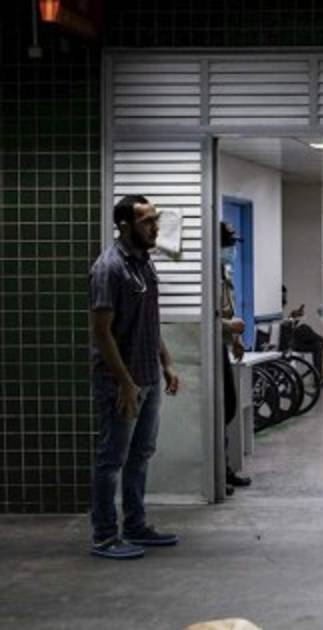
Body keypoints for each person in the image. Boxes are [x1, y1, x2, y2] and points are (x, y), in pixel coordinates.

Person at [89, 195, 181, 559]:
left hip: (148, 376)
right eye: (147, 221)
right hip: (120, 383)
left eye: (155, 219)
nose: (155, 227)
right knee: (112, 458)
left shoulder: (144, 263)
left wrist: (166, 363)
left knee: (141, 454)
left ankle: (136, 525)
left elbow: (148, 322)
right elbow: (102, 333)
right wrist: (125, 382)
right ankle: (104, 536)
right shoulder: (108, 268)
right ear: (125, 226)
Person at [219, 222, 251, 493]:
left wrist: (237, 341)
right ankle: (220, 472)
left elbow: (228, 310)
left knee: (228, 408)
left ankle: (225, 469)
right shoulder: (206, 275)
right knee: (222, 409)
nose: (231, 249)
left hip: (224, 346)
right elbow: (209, 317)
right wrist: (230, 327)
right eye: (228, 243)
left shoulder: (224, 272)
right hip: (211, 349)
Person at [282, 304, 323, 387]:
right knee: (304, 328)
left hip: (296, 342)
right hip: (292, 344)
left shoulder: (282, 313)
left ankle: (319, 380)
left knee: (318, 345)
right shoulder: (277, 310)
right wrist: (292, 316)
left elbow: (289, 326)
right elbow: (286, 328)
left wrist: (294, 316)